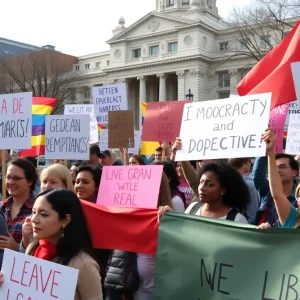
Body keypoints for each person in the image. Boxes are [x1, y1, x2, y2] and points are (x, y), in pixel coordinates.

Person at [3, 189, 102, 300]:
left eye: (44, 214)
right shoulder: (32, 249)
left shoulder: (84, 264)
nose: (34, 219)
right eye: (34, 212)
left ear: (65, 220)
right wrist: (5, 284)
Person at [159, 162, 250, 223]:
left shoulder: (237, 220)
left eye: (210, 185)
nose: (202, 188)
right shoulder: (192, 208)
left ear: (223, 189)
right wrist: (169, 216)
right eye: (201, 182)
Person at [258, 129, 300, 230]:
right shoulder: (293, 219)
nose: (299, 200)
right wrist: (270, 151)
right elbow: (277, 194)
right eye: (299, 196)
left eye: (283, 167)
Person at [253, 147, 299, 227]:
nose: (277, 170)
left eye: (282, 166)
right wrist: (267, 149)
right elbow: (258, 177)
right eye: (274, 168)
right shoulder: (267, 191)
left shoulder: (297, 199)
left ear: (294, 172)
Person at [0, 158, 37, 250]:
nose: (10, 182)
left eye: (16, 178)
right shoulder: (2, 207)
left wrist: (17, 247)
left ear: (30, 181)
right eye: (8, 177)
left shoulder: (38, 209)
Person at [228, 157, 259, 224]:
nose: (251, 164)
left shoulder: (221, 180)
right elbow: (252, 216)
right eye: (249, 161)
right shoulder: (249, 184)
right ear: (243, 163)